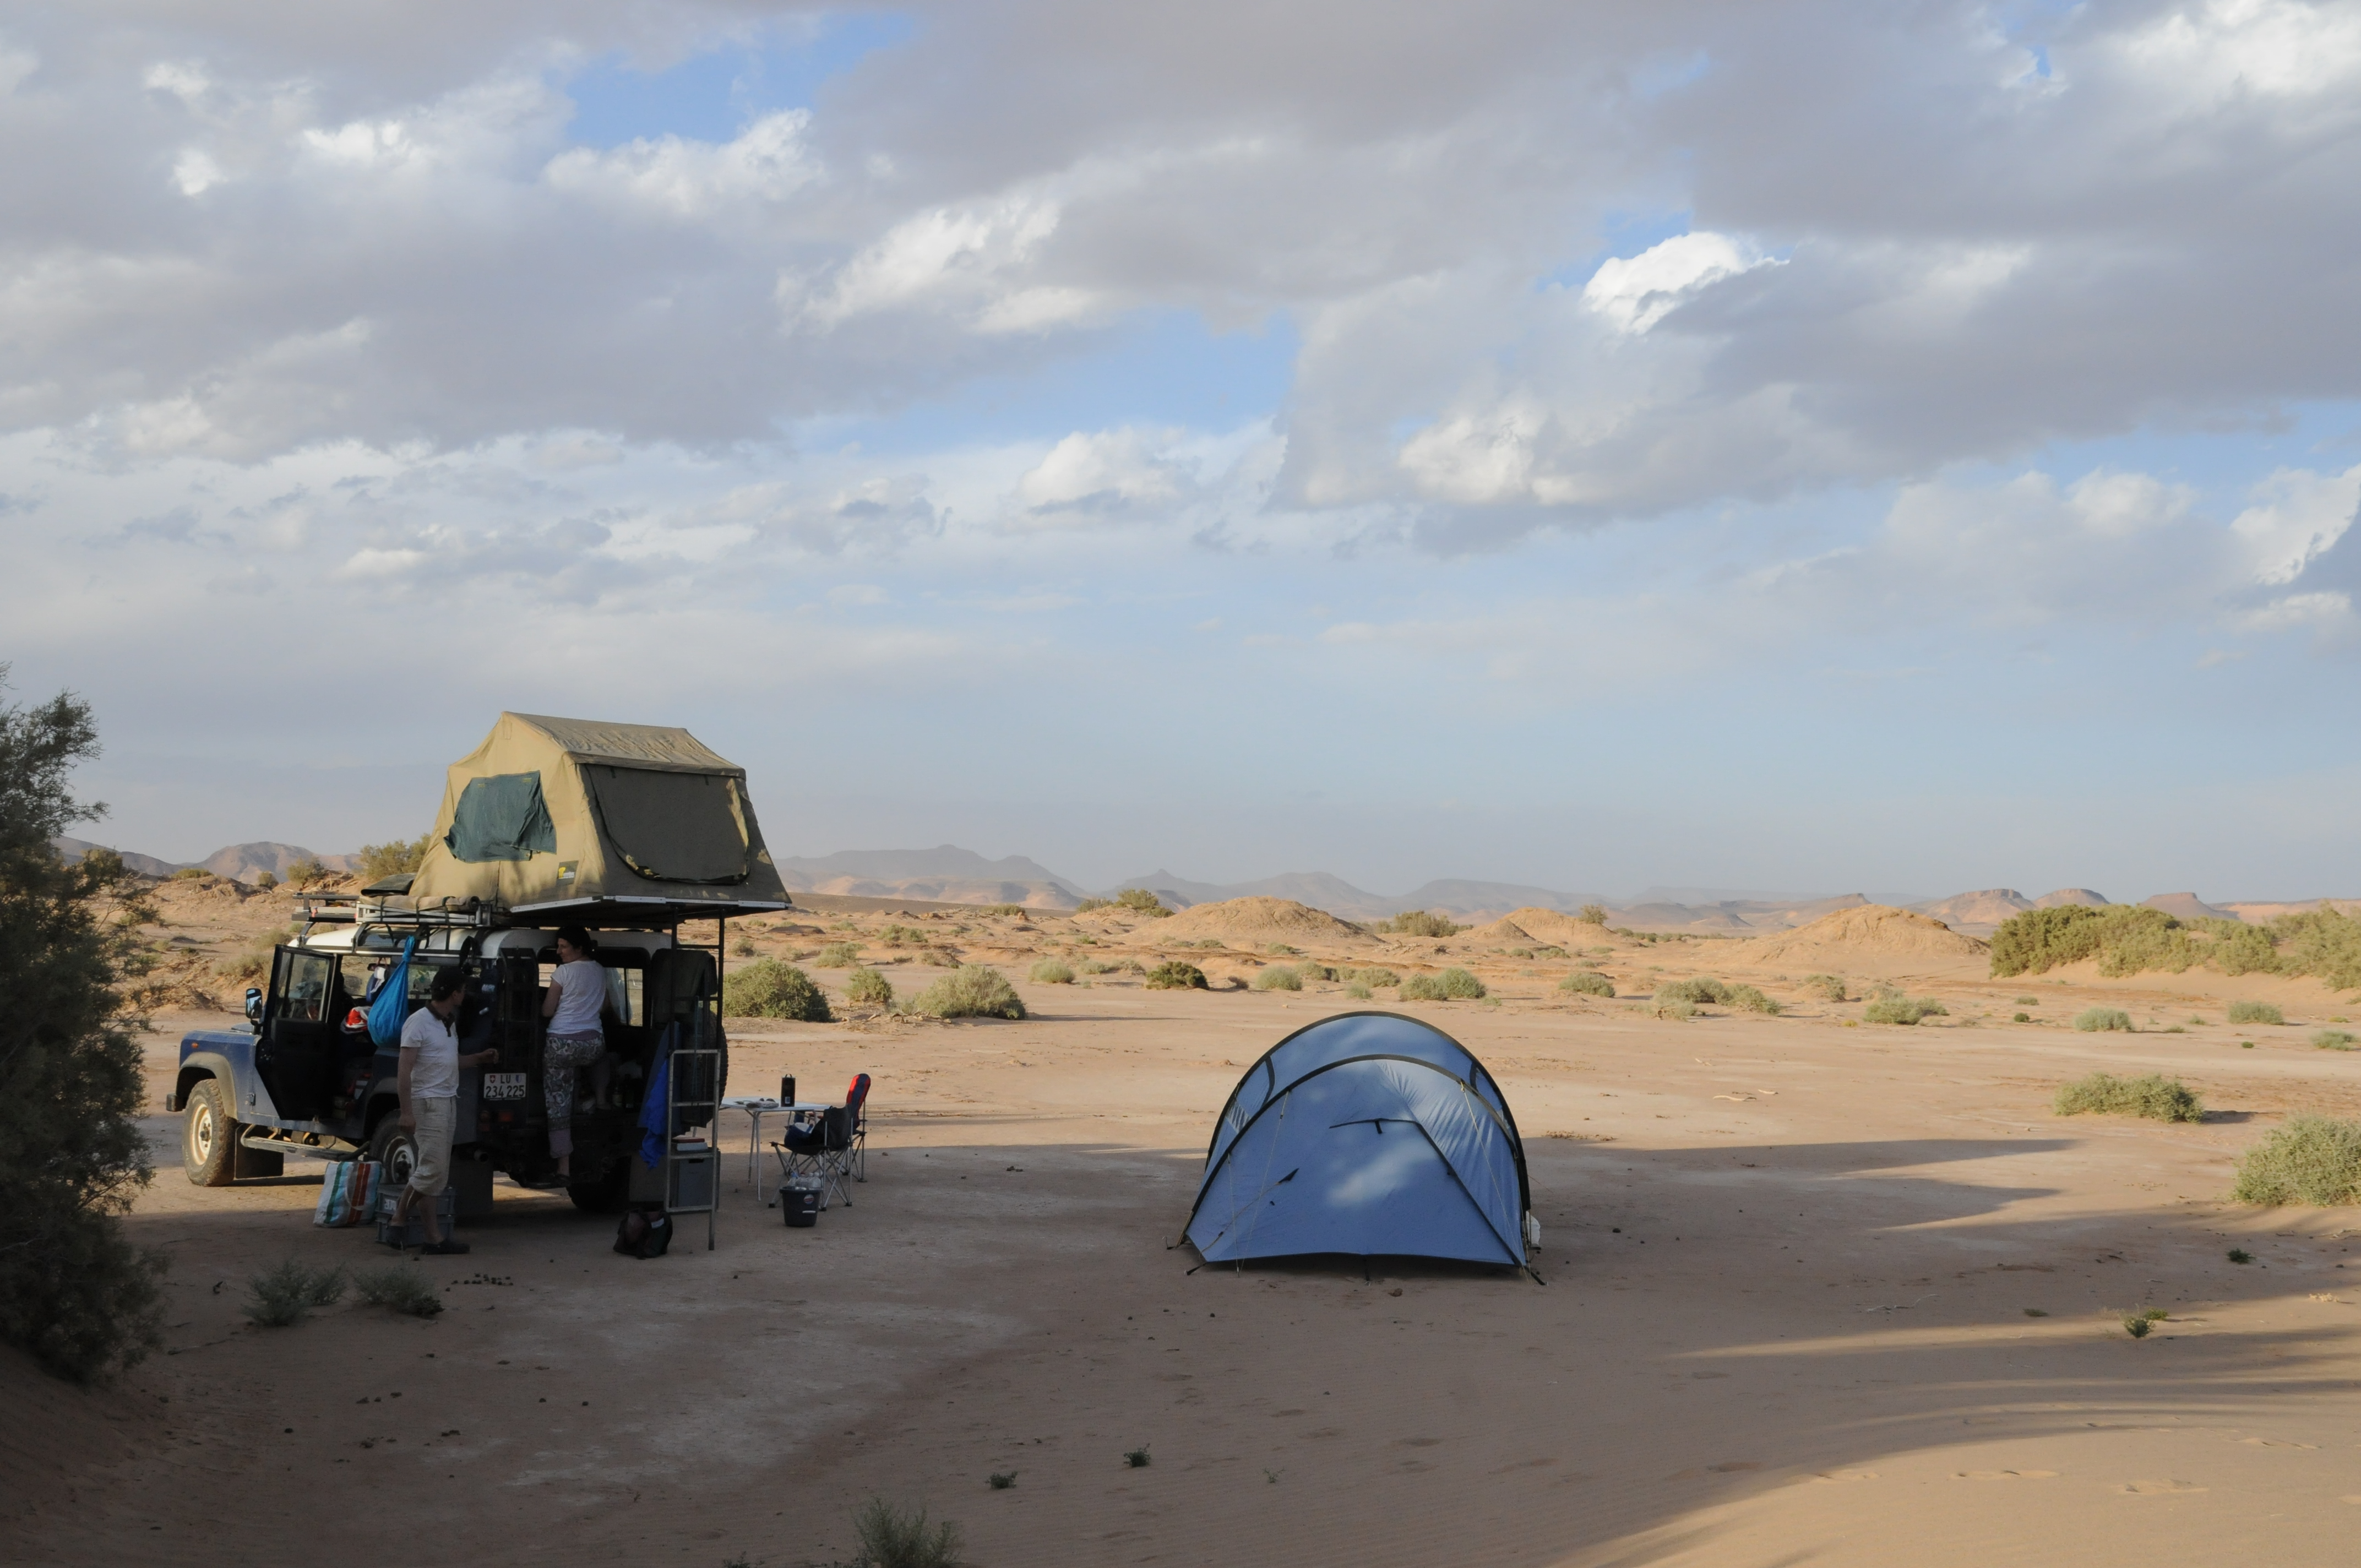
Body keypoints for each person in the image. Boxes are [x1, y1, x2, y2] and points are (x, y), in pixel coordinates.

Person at [390, 967, 496, 1254]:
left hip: (447, 1101)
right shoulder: (419, 1022)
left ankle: (433, 1238)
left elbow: (449, 1061)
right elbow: (404, 1070)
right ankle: (398, 1217)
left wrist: (478, 1058)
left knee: (436, 1172)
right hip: (428, 1103)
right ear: (454, 993)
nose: (465, 995)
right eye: (463, 990)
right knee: (433, 1169)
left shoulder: (448, 1023)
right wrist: (406, 1112)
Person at [541, 925, 613, 1179]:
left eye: (563, 946)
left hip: (561, 1045)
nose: (558, 951)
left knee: (558, 1104)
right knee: (603, 1058)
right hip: (593, 1043)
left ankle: (564, 1167)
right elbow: (605, 1006)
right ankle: (600, 1100)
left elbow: (547, 1011)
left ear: (579, 948)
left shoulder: (563, 972)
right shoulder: (600, 970)